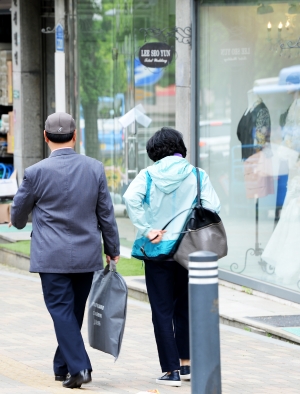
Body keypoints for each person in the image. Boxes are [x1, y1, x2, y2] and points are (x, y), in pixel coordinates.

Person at [10, 112, 120, 389]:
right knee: (72, 313)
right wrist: (113, 248)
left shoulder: (35, 173)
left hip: (51, 255)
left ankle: (80, 367)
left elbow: (17, 218)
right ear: (75, 136)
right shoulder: (95, 168)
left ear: (45, 137)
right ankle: (63, 367)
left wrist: (23, 219)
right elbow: (106, 214)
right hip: (86, 254)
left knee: (62, 312)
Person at [123, 127, 220, 387]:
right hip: (190, 250)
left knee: (162, 311)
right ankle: (186, 364)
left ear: (154, 150)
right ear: (180, 148)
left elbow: (130, 198)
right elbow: (213, 207)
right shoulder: (198, 174)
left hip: (158, 251)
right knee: (184, 308)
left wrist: (146, 228)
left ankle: (170, 371)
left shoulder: (148, 175)